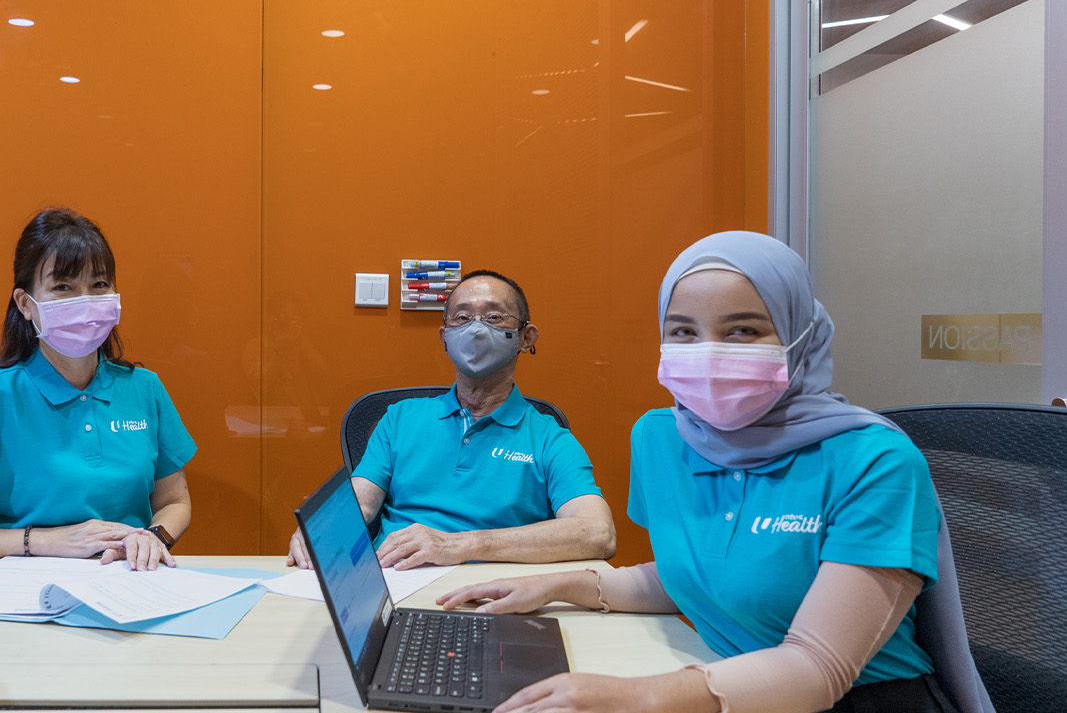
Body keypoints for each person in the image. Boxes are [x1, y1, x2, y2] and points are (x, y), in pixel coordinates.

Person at [439, 232, 990, 713]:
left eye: (744, 330)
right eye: (683, 331)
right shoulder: (660, 437)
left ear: (801, 335)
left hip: (855, 701)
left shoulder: (874, 462)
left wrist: (638, 697)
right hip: (720, 679)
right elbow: (696, 579)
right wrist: (561, 586)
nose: (708, 352)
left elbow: (818, 668)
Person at [0, 208, 196, 571]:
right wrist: (43, 541)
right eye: (63, 287)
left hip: (129, 580)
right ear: (25, 304)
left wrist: (153, 537)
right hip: (24, 582)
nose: (84, 301)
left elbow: (176, 500)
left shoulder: (145, 388)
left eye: (99, 285)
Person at [287, 269, 616, 570]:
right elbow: (361, 500)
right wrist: (322, 530)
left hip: (494, 597)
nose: (475, 328)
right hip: (394, 584)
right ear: (445, 337)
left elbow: (599, 534)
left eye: (493, 317)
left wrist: (464, 545)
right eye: (462, 317)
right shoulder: (399, 418)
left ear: (525, 337)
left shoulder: (548, 438)